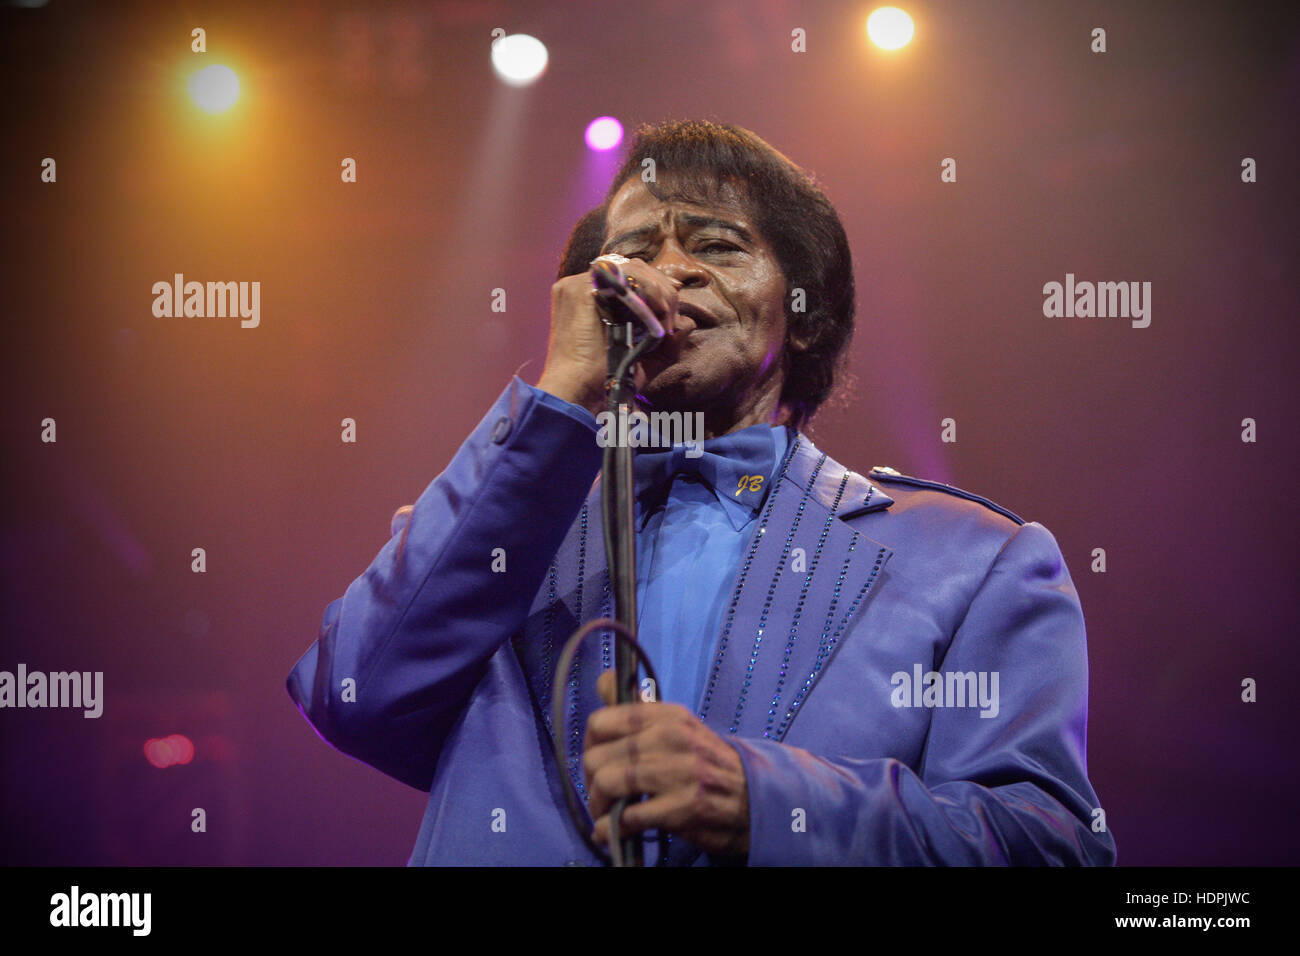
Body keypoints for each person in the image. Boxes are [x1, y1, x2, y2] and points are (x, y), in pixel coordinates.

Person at [286, 120, 1117, 866]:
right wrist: (563, 395)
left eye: (717, 247)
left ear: (806, 315)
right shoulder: (497, 533)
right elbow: (349, 701)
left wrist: (763, 803)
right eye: (636, 252)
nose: (668, 272)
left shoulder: (975, 561)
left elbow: (1048, 847)